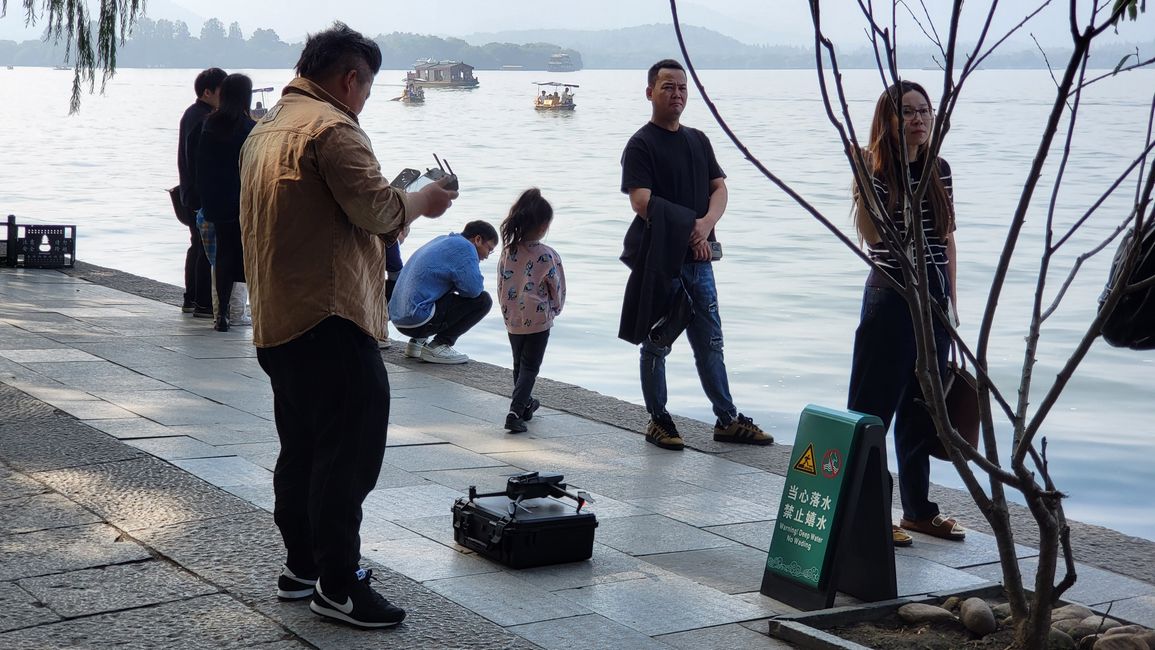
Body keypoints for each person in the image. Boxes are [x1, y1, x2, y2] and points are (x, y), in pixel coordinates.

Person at [239, 22, 458, 629]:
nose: (364, 98)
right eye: (366, 86)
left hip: (278, 316)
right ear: (349, 78)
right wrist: (424, 202)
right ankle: (339, 583)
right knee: (348, 455)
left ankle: (302, 565)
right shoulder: (334, 129)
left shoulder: (267, 128)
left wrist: (395, 211)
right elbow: (380, 210)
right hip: (332, 315)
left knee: (302, 449)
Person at [619, 59, 772, 451]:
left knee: (711, 341)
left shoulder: (698, 140)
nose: (677, 94)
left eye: (683, 88)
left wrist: (705, 225)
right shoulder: (640, 144)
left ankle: (727, 419)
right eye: (668, 86)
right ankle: (659, 419)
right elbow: (641, 201)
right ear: (649, 91)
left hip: (700, 259)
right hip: (662, 261)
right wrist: (691, 228)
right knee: (657, 340)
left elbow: (719, 188)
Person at [847, 80, 964, 547]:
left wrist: (951, 304)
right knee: (872, 412)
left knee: (923, 409)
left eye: (924, 111)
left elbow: (947, 238)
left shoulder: (941, 169)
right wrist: (865, 178)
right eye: (907, 113)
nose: (918, 120)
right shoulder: (876, 172)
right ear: (888, 122)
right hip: (891, 298)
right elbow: (873, 238)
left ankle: (918, 510)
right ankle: (866, 510)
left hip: (933, 303)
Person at [192, 73, 256, 332]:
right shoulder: (249, 128)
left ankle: (221, 316)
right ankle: (239, 311)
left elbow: (200, 164)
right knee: (244, 254)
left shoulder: (208, 125)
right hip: (241, 200)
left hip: (215, 200)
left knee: (222, 255)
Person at [497, 189, 565, 433]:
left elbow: (501, 283)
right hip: (538, 320)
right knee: (530, 367)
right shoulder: (547, 255)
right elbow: (556, 288)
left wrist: (506, 309)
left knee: (519, 364)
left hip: (513, 317)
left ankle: (525, 404)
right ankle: (515, 412)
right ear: (544, 225)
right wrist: (555, 309)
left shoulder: (508, 251)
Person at [388, 221, 497, 364]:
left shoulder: (442, 240)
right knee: (483, 301)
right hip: (418, 320)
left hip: (399, 319)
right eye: (489, 249)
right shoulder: (465, 248)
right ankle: (439, 345)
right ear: (477, 240)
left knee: (439, 287)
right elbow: (474, 290)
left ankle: (417, 343)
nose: (487, 256)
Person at [177, 67, 226, 319]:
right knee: (206, 248)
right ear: (207, 92)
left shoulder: (194, 114)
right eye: (222, 90)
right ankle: (204, 303)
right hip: (199, 193)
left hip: (190, 192)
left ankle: (193, 298)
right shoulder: (204, 119)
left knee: (197, 246)